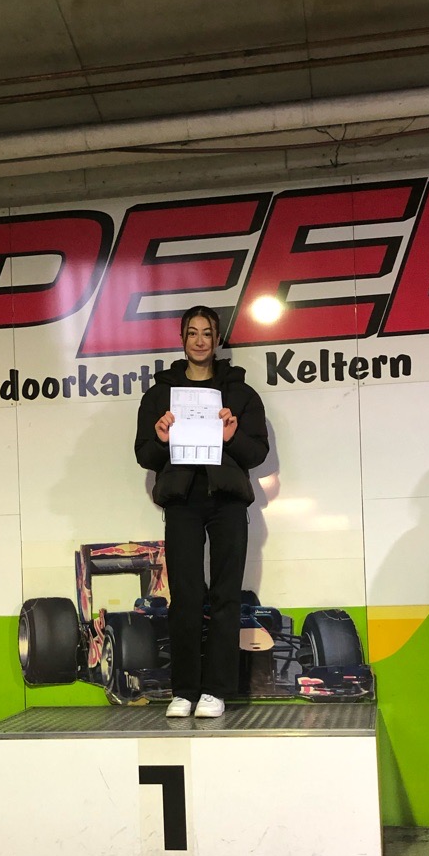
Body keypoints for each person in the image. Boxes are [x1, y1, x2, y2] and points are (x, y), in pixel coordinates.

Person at [135, 305, 269, 718]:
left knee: (227, 596)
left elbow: (257, 453)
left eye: (207, 333)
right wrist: (161, 438)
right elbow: (144, 454)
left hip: (227, 500)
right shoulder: (159, 395)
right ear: (182, 339)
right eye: (192, 333)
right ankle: (185, 691)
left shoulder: (241, 394)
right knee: (186, 596)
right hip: (182, 502)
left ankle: (216, 691)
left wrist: (231, 437)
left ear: (217, 339)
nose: (199, 341)